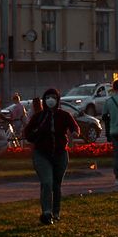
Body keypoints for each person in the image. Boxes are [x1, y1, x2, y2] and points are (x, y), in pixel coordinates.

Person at [24, 87, 80, 225]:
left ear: (58, 100)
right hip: (41, 154)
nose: (51, 100)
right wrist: (36, 134)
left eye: (53, 98)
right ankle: (46, 213)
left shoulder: (64, 115)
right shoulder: (39, 116)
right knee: (47, 182)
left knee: (56, 185)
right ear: (44, 100)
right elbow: (27, 133)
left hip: (60, 154)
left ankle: (56, 212)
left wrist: (74, 133)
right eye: (48, 97)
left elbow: (75, 127)